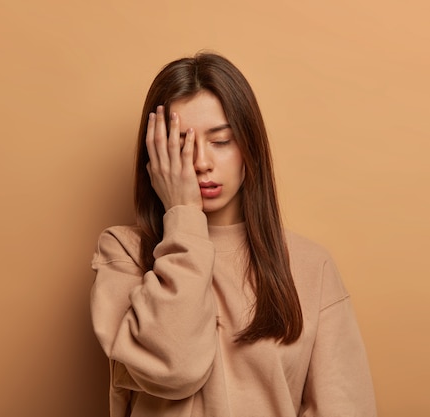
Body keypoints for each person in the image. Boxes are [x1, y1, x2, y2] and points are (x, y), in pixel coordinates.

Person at [90, 52, 377, 416]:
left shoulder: (310, 266)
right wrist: (184, 216)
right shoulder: (125, 253)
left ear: (248, 148)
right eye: (181, 143)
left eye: (221, 141)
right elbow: (175, 369)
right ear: (155, 153)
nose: (201, 162)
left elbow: (344, 408)